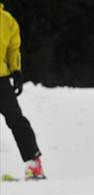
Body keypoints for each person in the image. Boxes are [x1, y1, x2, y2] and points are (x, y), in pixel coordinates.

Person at [0, 3, 45, 180]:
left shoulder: (7, 20)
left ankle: (33, 165)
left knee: (16, 118)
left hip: (1, 79)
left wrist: (16, 70)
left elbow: (13, 48)